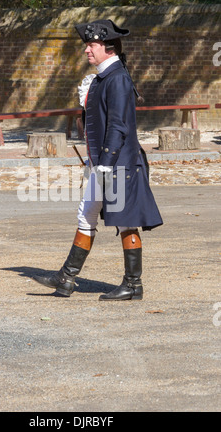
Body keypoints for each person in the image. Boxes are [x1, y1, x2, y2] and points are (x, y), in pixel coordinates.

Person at [33, 19, 163, 300]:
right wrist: (86, 103)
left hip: (117, 165)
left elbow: (118, 126)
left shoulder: (117, 78)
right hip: (104, 164)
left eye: (91, 45)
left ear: (108, 47)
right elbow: (99, 123)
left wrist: (104, 164)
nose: (87, 51)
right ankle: (66, 279)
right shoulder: (104, 78)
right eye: (87, 45)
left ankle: (133, 284)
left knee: (126, 222)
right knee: (86, 214)